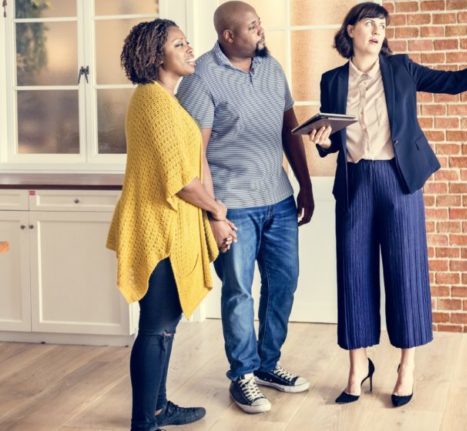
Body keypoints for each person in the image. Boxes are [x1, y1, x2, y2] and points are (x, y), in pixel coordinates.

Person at [308, 2, 467, 407]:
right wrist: (323, 140)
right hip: (355, 184)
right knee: (353, 274)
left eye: (382, 25)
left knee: (405, 273)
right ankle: (357, 367)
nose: (377, 30)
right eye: (369, 23)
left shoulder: (401, 69)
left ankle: (406, 367)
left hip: (400, 182)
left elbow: (453, 81)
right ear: (350, 31)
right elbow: (331, 144)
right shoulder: (332, 80)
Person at [176, 1, 314, 415]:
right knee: (238, 291)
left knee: (283, 283)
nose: (261, 32)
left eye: (260, 25)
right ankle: (242, 376)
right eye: (252, 27)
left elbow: (290, 128)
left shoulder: (271, 67)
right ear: (228, 36)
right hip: (233, 205)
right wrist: (215, 213)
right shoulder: (201, 77)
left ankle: (268, 365)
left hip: (278, 199)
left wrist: (305, 186)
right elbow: (194, 153)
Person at [107, 19, 237, 431]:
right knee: (156, 328)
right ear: (155, 55)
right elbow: (179, 181)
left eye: (186, 42)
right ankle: (145, 420)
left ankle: (159, 408)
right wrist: (218, 211)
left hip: (170, 228)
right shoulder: (151, 101)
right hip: (158, 231)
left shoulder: (164, 101)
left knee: (163, 327)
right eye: (178, 44)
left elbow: (187, 169)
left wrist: (212, 213)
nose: (189, 49)